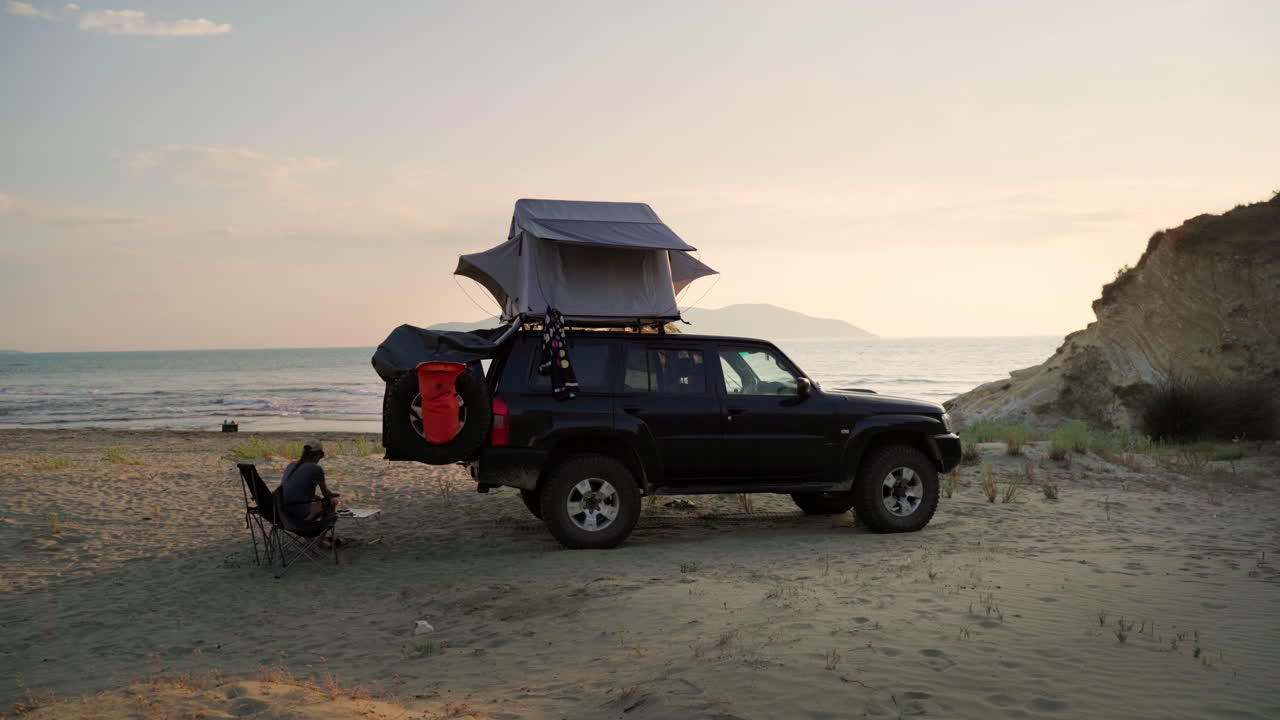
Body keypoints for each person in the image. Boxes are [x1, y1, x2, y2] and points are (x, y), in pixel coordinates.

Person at [278, 440, 339, 543]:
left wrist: (314, 496)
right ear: (319, 455)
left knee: (318, 502)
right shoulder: (315, 468)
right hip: (298, 513)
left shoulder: (291, 465)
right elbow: (325, 493)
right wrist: (332, 496)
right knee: (331, 504)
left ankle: (313, 538)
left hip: (281, 512)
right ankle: (319, 541)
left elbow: (294, 488)